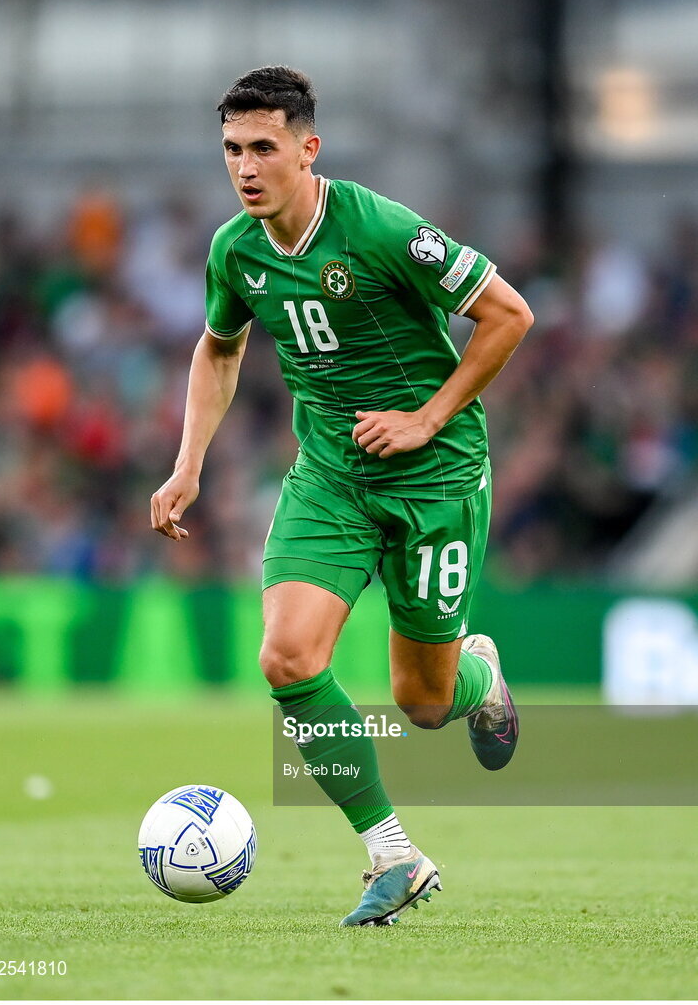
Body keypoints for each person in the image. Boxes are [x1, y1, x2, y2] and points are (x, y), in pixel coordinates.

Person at [151, 65, 533, 927]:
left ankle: (482, 673)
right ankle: (392, 854)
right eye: (230, 150)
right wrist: (188, 465)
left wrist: (426, 418)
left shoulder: (381, 229)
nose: (245, 167)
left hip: (433, 477)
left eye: (263, 148)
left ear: (306, 149)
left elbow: (509, 314)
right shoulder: (235, 250)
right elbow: (218, 350)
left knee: (424, 702)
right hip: (329, 476)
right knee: (286, 660)